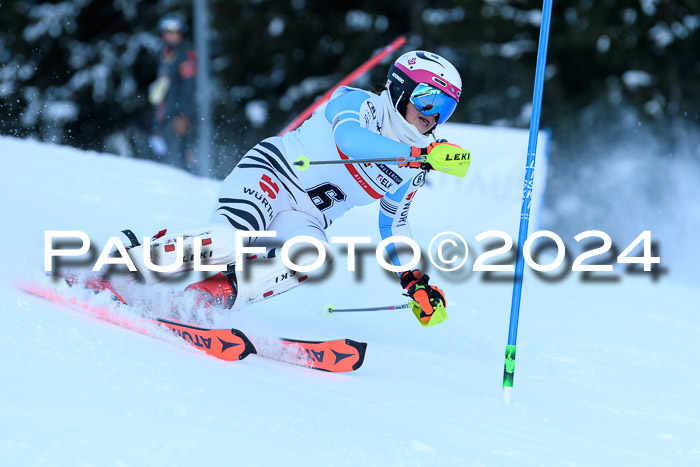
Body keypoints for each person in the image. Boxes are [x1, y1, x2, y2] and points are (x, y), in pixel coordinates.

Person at [119, 50, 469, 326]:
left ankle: (204, 299)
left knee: (311, 258)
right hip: (272, 175)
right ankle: (130, 267)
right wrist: (419, 153)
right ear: (400, 88)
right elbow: (349, 140)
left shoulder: (417, 164)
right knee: (230, 240)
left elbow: (393, 225)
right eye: (429, 100)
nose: (433, 117)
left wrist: (414, 281)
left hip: (306, 217)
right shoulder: (358, 104)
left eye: (446, 108)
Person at [148, 14, 197, 171]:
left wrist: (181, 112)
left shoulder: (186, 54)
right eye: (167, 32)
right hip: (163, 112)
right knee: (160, 153)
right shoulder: (165, 54)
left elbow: (188, 85)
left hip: (179, 112)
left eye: (174, 32)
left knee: (181, 153)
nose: (170, 36)